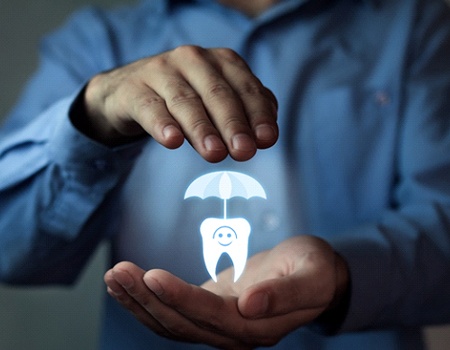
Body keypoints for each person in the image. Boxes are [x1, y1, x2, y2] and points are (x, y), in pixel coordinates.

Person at [1, 0, 450, 348]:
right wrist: (92, 119)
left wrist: (344, 270)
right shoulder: (98, 43)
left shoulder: (414, 25)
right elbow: (8, 249)